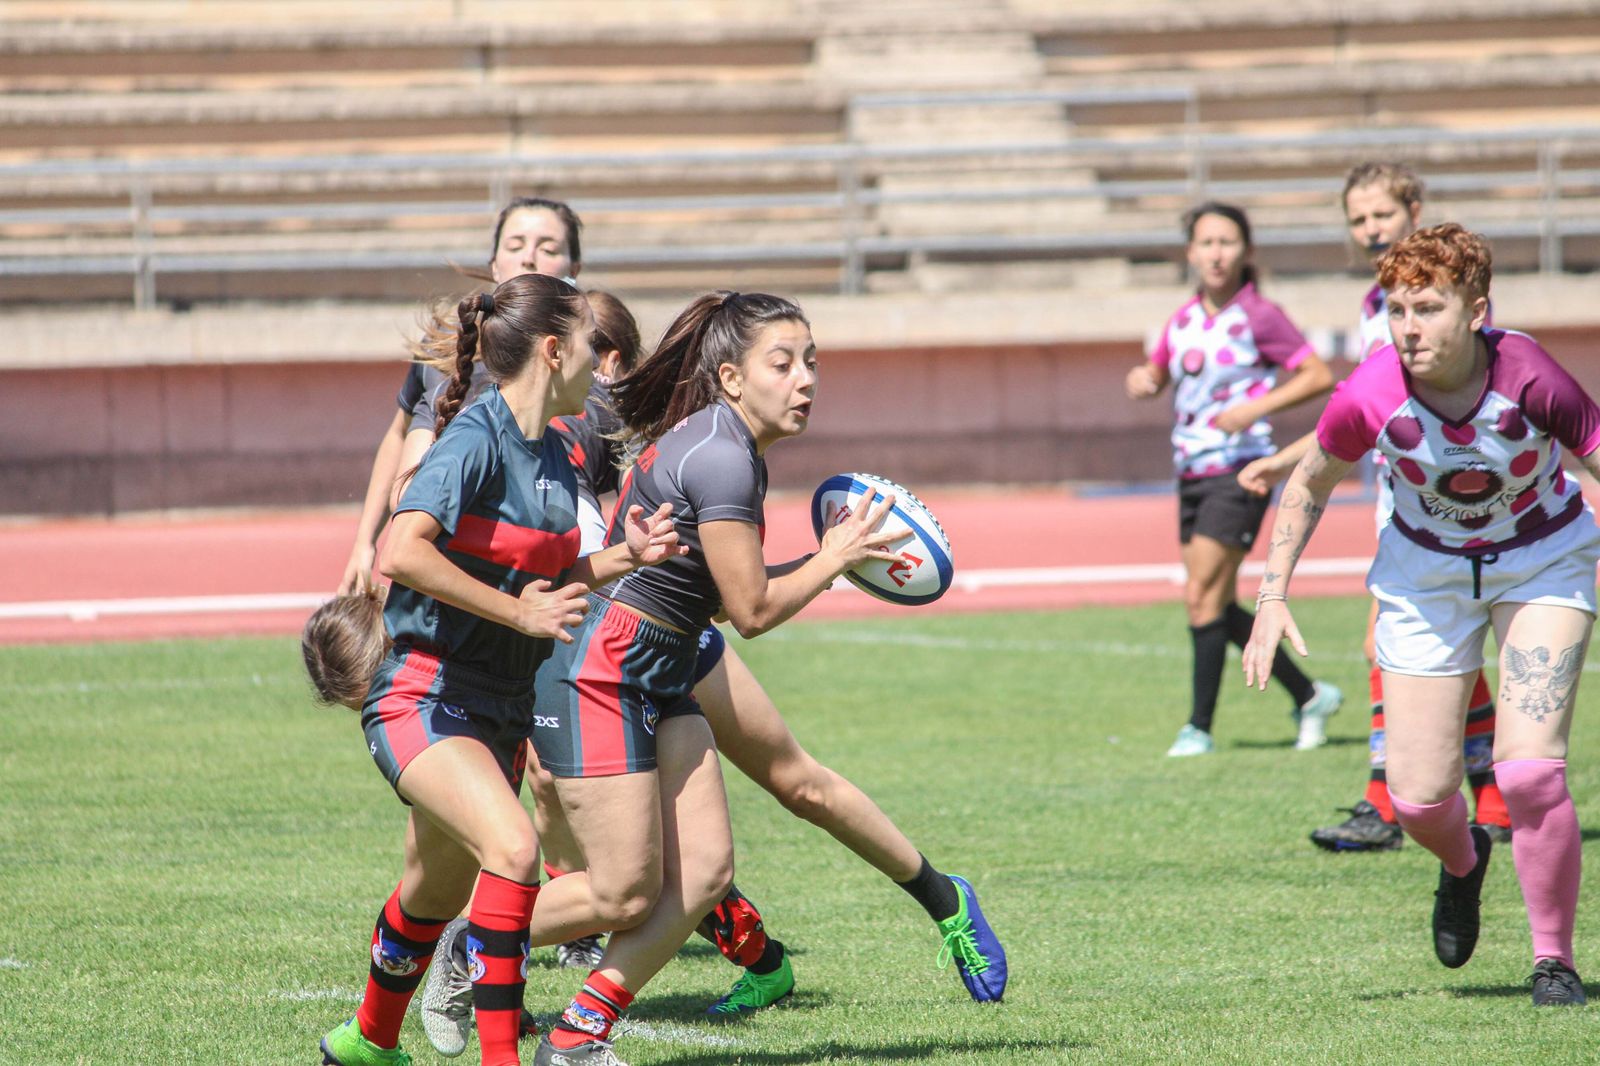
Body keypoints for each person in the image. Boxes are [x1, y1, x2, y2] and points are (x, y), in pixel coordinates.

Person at [525, 291, 1007, 1066]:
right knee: (625, 891)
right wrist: (836, 560)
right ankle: (466, 942)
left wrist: (831, 565)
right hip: (614, 661)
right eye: (783, 363)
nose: (805, 378)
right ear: (733, 378)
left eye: (811, 360)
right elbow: (749, 609)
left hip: (668, 655)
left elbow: (725, 590)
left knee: (719, 859)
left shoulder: (728, 447)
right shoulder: (722, 455)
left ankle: (576, 1030)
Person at [314, 272, 686, 1066]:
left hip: (501, 708)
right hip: (425, 693)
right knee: (515, 852)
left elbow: (545, 582)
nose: (603, 363)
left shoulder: (559, 447)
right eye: (592, 345)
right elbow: (399, 550)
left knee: (433, 894)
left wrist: (625, 555)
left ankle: (365, 1042)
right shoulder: (475, 439)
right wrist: (520, 614)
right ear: (554, 351)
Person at [1244, 223, 1596, 1007]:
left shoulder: (1529, 373)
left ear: (1476, 310)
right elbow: (1307, 483)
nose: (1409, 328)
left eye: (1429, 308)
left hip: (1543, 559)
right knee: (1417, 799)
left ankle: (1553, 961)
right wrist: (1271, 596)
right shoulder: (1370, 391)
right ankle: (1465, 859)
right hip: (1424, 572)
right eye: (1399, 309)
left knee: (1531, 771)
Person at [1237, 164, 1512, 849]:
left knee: (1386, 644)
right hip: (1400, 494)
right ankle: (1488, 799)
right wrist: (1287, 462)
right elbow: (1359, 407)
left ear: (1413, 209)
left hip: (1450, 498)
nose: (1370, 230)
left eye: (1381, 216)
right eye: (1358, 220)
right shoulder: (1376, 306)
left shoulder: (1445, 299)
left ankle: (1392, 802)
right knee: (1428, 650)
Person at [1125, 202, 1341, 757]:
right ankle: (1310, 695)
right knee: (1208, 602)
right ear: (1190, 253)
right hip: (1191, 472)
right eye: (1206, 243)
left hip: (1240, 471)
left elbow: (1317, 374)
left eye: (1226, 242)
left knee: (1202, 599)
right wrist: (1146, 379)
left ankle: (1198, 727)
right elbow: (1161, 370)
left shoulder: (1260, 316)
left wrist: (1254, 409)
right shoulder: (1183, 319)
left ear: (1246, 251)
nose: (1216, 253)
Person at [336, 196, 584, 595]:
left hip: (541, 576)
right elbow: (399, 437)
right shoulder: (448, 348)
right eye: (515, 245)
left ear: (574, 269)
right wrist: (364, 542)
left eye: (548, 248)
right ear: (494, 264)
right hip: (442, 573)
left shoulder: (588, 363)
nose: (529, 259)